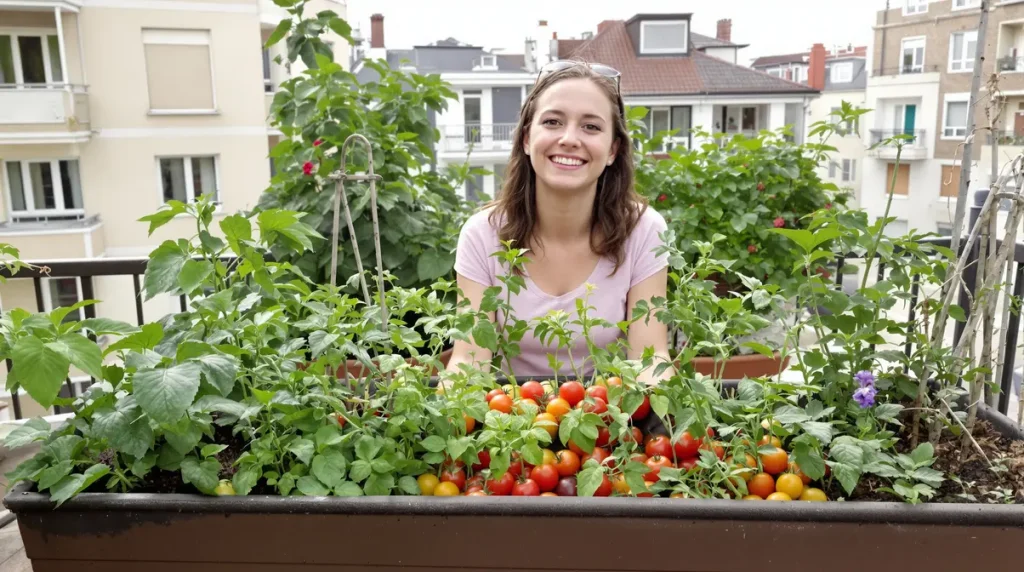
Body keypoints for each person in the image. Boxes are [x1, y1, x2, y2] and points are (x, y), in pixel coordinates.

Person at [445, 60, 672, 383]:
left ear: (613, 149)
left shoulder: (643, 230)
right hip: (509, 419)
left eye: (591, 127)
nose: (569, 139)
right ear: (526, 139)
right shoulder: (483, 235)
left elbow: (649, 357)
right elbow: (470, 358)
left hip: (607, 414)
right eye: (552, 122)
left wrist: (670, 423)